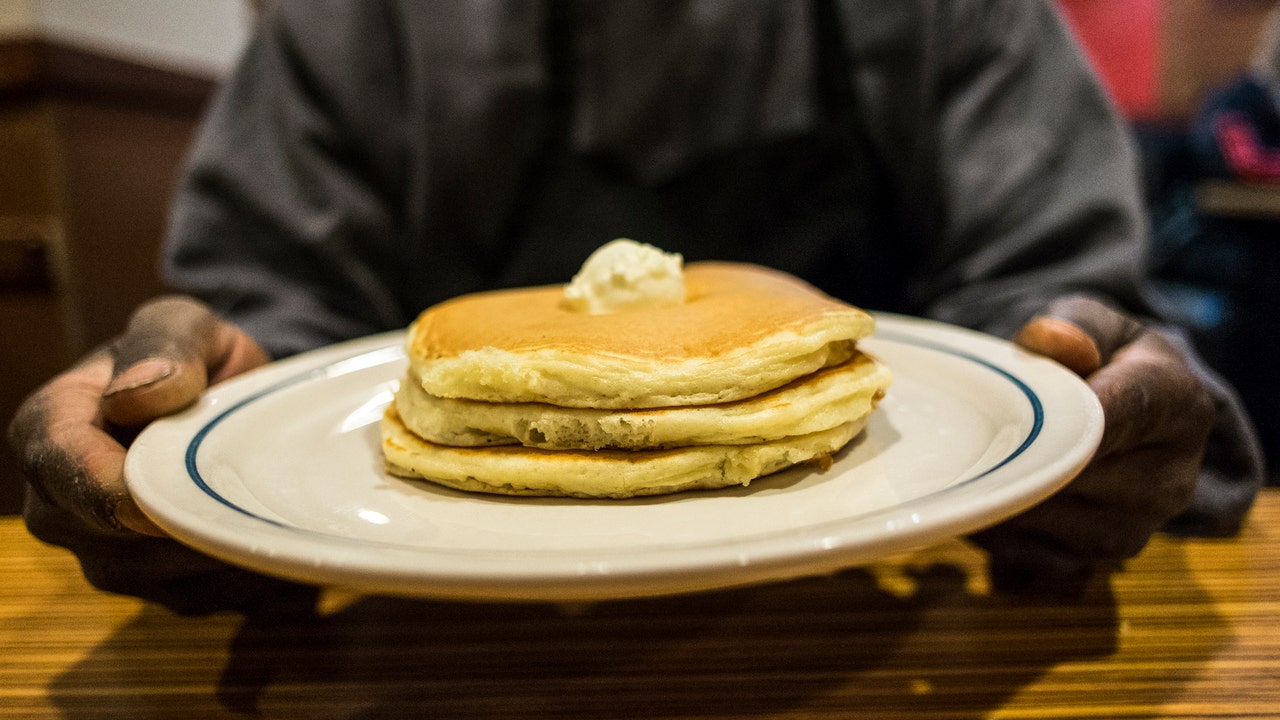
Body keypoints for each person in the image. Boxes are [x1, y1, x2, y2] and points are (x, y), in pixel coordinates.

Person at [7, 0, 1266, 615]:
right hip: (424, 648)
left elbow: (1046, 312)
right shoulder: (356, 19)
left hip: (879, 622)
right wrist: (190, 442)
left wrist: (1089, 404)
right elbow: (270, 340)